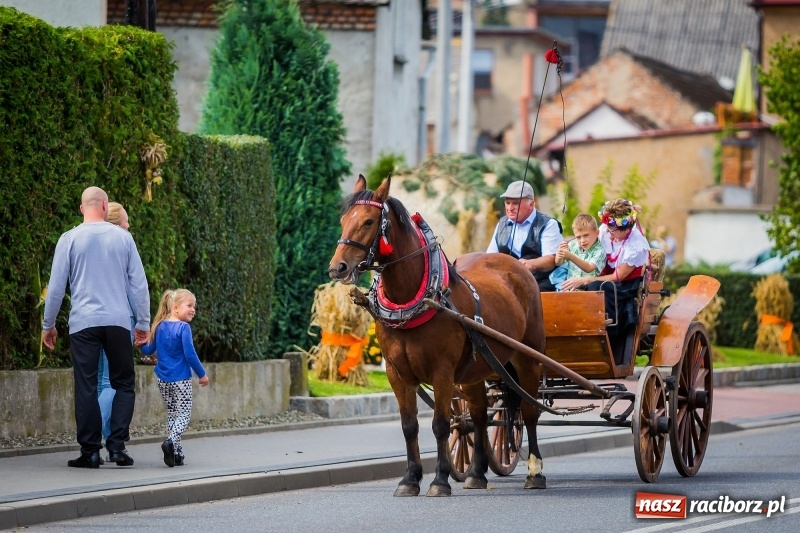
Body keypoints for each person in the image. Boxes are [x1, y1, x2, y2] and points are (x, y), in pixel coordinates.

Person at [42, 186, 150, 469]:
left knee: (86, 385)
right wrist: (143, 323)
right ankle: (117, 447)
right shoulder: (124, 238)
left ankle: (90, 451)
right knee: (123, 383)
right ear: (104, 206)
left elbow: (56, 287)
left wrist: (48, 324)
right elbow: (139, 285)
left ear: (82, 208)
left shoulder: (69, 239)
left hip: (83, 323)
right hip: (118, 321)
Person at [561, 199, 650, 365]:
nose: (609, 232)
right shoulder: (607, 230)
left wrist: (588, 279)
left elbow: (618, 276)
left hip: (625, 285)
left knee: (596, 287)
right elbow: (588, 238)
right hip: (603, 275)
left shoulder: (636, 245)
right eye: (608, 228)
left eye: (613, 230)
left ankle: (606, 332)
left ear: (626, 228)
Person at [140, 289, 209, 467]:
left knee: (173, 413)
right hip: (181, 379)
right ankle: (170, 442)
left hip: (163, 379)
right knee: (184, 413)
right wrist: (202, 374)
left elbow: (148, 350)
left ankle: (177, 454)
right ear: (175, 307)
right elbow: (190, 354)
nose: (193, 309)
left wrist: (140, 342)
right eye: (189, 305)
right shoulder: (183, 328)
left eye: (194, 306)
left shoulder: (160, 326)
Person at [96, 202, 133, 453]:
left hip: (92, 320)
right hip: (119, 319)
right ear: (116, 223)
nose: (128, 225)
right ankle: (104, 437)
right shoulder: (124, 244)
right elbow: (133, 286)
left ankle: (105, 442)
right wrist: (141, 321)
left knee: (101, 381)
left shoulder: (91, 245)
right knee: (112, 381)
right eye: (126, 221)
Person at [486, 180, 563, 292]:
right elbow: (490, 257)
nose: (510, 208)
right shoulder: (502, 224)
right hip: (508, 285)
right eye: (507, 203)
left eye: (515, 203)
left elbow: (550, 260)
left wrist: (531, 264)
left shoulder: (548, 224)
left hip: (541, 284)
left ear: (531, 204)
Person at [554, 213, 606, 291]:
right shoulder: (572, 244)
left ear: (597, 233)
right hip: (570, 288)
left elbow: (589, 268)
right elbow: (558, 263)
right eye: (578, 237)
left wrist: (571, 256)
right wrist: (560, 254)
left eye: (586, 235)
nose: (582, 241)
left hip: (589, 290)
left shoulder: (600, 250)